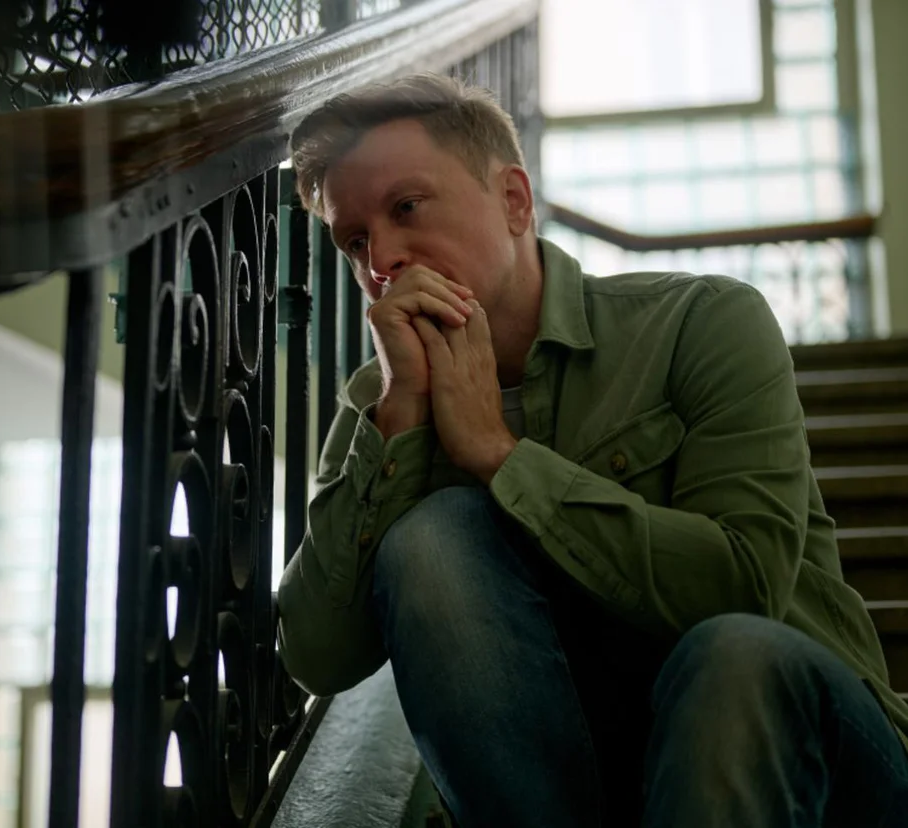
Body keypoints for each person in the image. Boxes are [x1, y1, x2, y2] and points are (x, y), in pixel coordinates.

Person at [276, 73, 908, 827]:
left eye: (406, 207)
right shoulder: (381, 403)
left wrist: (500, 455)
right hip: (576, 791)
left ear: (515, 200)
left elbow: (741, 591)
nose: (380, 259)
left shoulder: (701, 323)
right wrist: (402, 418)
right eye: (354, 241)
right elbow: (316, 656)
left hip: (812, 770)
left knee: (736, 655)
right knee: (431, 536)